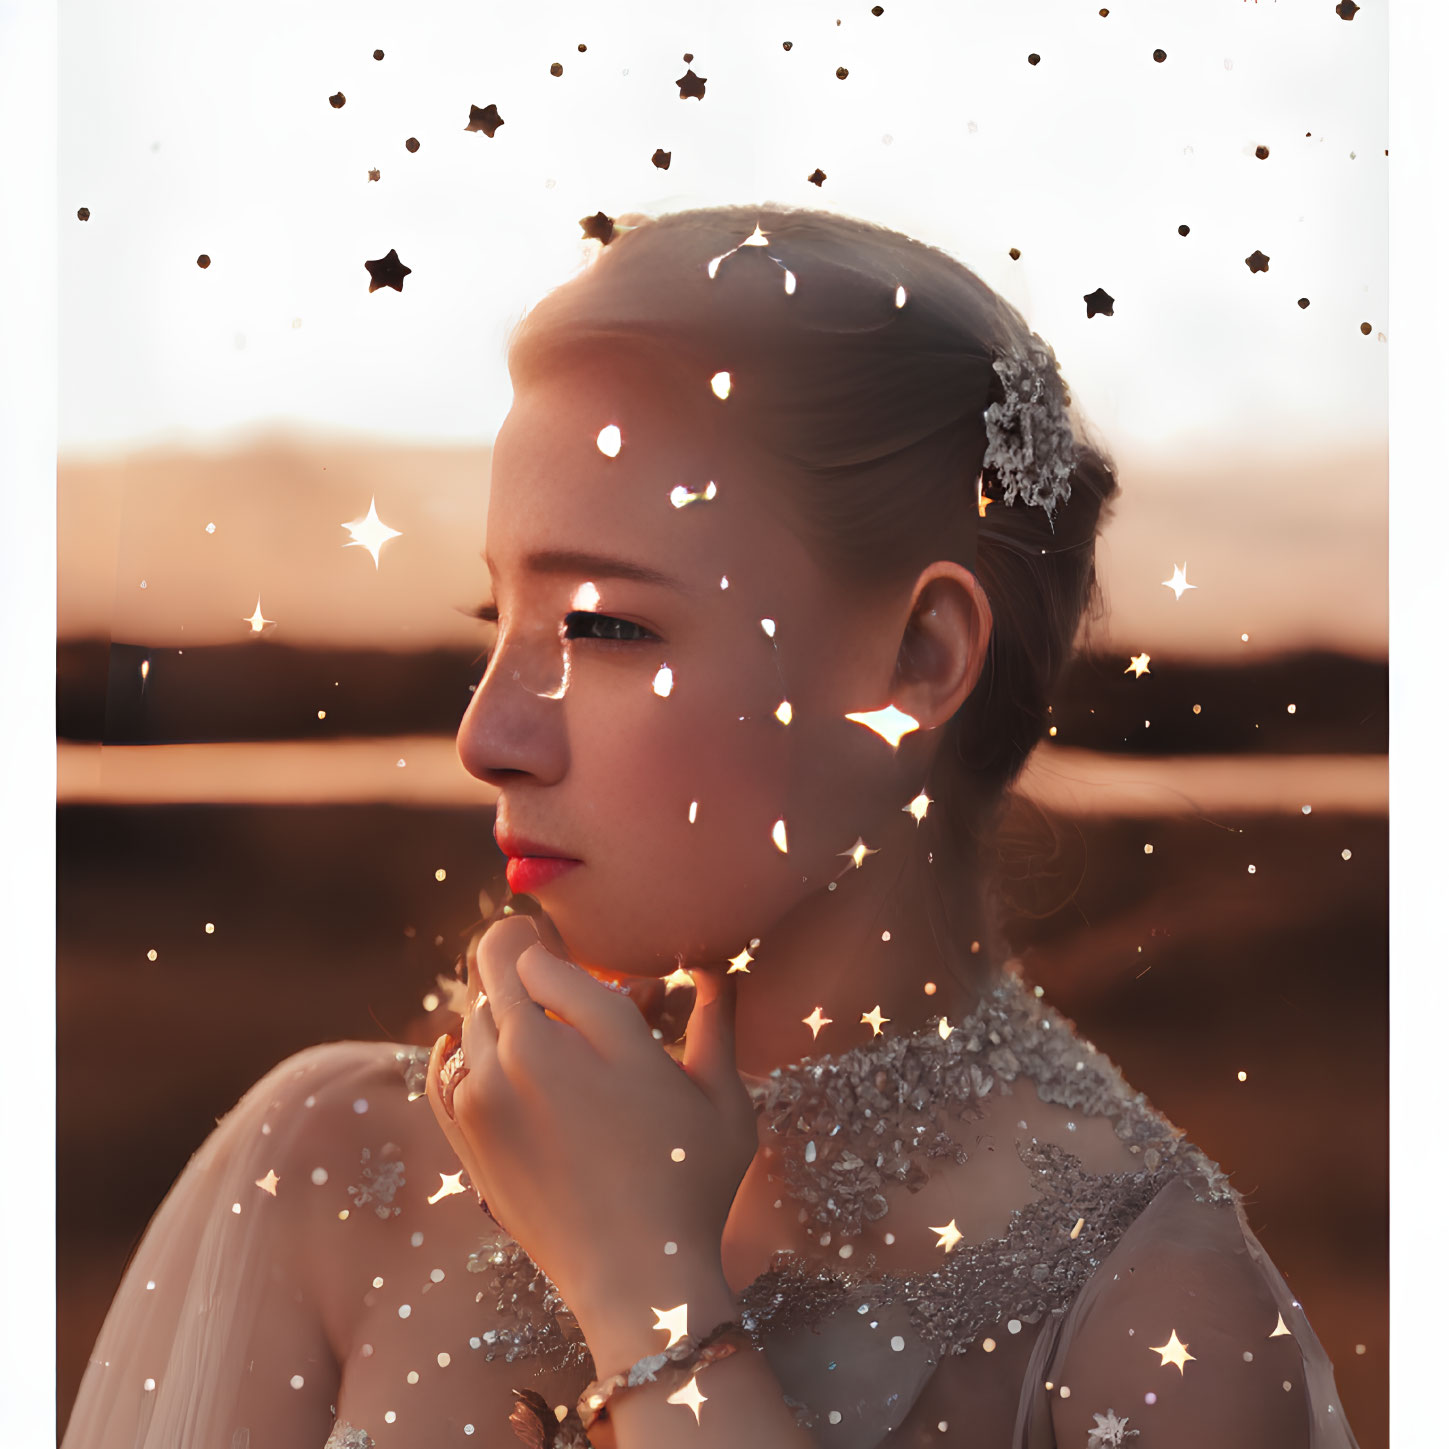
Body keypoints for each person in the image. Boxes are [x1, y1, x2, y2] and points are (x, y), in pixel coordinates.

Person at [63, 204, 1360, 1449]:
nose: (488, 733)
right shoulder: (335, 1158)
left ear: (917, 657)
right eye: (496, 625)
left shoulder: (1144, 1304)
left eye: (604, 627)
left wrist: (650, 1294)